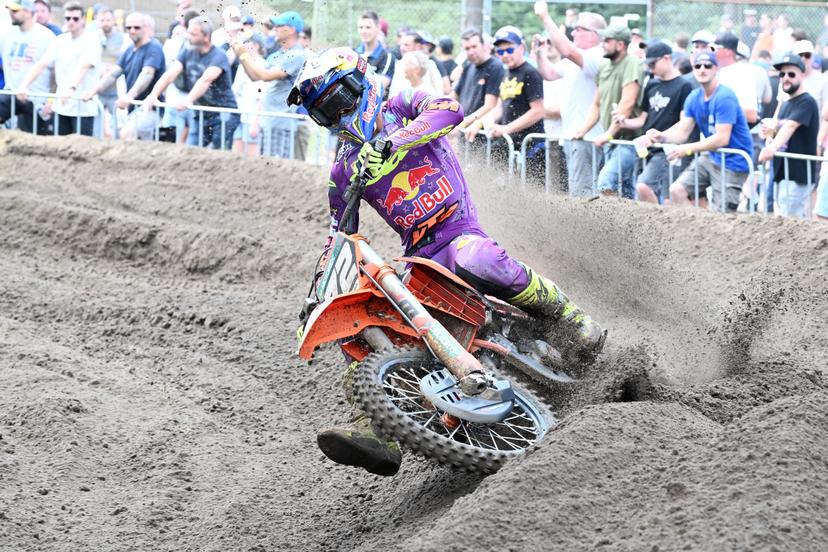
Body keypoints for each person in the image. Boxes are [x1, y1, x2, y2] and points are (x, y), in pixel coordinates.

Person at [287, 47, 606, 476]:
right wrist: (319, 292)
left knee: (474, 256)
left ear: (359, 85)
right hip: (419, 257)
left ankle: (567, 315)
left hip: (458, 230)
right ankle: (376, 427)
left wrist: (393, 141)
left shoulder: (400, 107)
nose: (338, 116)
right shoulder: (345, 168)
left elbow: (449, 109)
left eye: (339, 102)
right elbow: (337, 232)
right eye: (324, 114)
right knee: (366, 315)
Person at [641, 53, 753, 212]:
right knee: (677, 191)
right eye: (698, 66)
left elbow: (722, 138)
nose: (702, 69)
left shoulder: (724, 96)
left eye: (707, 65)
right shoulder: (694, 97)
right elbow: (682, 131)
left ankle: (713, 231)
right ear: (693, 70)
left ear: (716, 69)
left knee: (723, 215)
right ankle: (700, 231)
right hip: (712, 156)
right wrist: (662, 136)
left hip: (733, 161)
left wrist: (686, 149)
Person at [533, 2, 607, 197]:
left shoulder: (598, 56)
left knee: (584, 196)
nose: (573, 33)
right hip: (573, 135)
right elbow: (549, 73)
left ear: (593, 34)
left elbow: (567, 50)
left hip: (588, 138)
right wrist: (540, 53)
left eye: (578, 29)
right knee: (576, 193)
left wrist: (546, 18)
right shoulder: (578, 59)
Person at [144, 15, 240, 150]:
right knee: (192, 151)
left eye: (193, 34)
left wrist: (187, 100)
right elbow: (171, 73)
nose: (188, 37)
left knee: (221, 154)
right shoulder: (187, 51)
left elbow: (206, 80)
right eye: (188, 32)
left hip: (223, 114)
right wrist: (153, 94)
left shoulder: (218, 56)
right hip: (201, 113)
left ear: (206, 37)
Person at [573, 23, 643, 199]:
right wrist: (583, 130)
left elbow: (627, 102)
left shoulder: (631, 63)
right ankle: (628, 225)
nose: (602, 43)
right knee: (625, 192)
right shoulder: (604, 66)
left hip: (628, 141)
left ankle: (610, 224)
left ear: (620, 45)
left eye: (607, 41)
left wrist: (609, 134)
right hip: (611, 142)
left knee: (605, 183)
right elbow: (597, 103)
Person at [619, 40, 693, 203]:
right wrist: (624, 122)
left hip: (667, 148)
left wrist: (660, 136)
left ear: (666, 58)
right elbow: (643, 119)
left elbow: (684, 123)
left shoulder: (684, 86)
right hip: (646, 146)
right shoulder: (652, 84)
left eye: (653, 64)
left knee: (646, 187)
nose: (650, 69)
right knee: (642, 189)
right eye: (648, 65)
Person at [17, 0, 101, 136]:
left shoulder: (92, 40)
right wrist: (24, 85)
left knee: (82, 151)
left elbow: (84, 66)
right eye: (68, 18)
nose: (71, 21)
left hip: (83, 107)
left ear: (83, 19)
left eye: (75, 18)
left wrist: (71, 88)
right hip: (61, 107)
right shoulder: (60, 40)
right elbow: (41, 64)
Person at [232, 10, 306, 159]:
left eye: (279, 25)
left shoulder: (297, 55)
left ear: (291, 30)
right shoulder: (276, 55)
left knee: (278, 169)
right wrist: (242, 55)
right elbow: (255, 76)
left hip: (281, 124)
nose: (275, 28)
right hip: (268, 122)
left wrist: (243, 54)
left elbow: (264, 76)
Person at [83, 12, 164, 140]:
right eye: (129, 27)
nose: (132, 31)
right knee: (129, 142)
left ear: (145, 28)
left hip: (150, 108)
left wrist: (129, 96)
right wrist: (93, 91)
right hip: (133, 108)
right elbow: (113, 74)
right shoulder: (128, 50)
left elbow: (147, 74)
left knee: (126, 135)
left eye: (136, 27)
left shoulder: (154, 47)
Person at [758, 53, 819, 218]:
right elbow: (779, 129)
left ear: (802, 74)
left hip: (797, 175)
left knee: (791, 221)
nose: (786, 78)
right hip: (782, 174)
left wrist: (772, 147)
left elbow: (791, 126)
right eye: (782, 74)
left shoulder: (806, 101)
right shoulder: (786, 104)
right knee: (786, 221)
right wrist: (770, 134)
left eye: (791, 74)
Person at [487, 25, 546, 183]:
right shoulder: (506, 73)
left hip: (531, 146)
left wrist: (506, 129)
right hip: (511, 143)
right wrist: (487, 122)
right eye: (500, 52)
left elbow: (538, 111)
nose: (505, 55)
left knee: (530, 193)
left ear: (521, 48)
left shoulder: (530, 73)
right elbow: (501, 105)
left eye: (509, 50)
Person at [0, 0, 56, 135]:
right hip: (11, 93)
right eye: (10, 11)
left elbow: (57, 71)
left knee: (36, 142)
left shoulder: (46, 37)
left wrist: (51, 99)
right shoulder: (7, 35)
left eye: (15, 11)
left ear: (28, 12)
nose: (10, 14)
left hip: (36, 99)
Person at [451, 28, 504, 145]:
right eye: (467, 48)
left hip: (482, 135)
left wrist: (463, 123)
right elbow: (453, 96)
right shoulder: (468, 66)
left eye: (474, 47)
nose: (471, 51)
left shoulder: (495, 66)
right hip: (464, 133)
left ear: (484, 46)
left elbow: (490, 105)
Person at [231, 32, 267, 156]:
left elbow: (261, 98)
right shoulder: (243, 65)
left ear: (255, 45)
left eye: (247, 42)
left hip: (252, 118)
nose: (244, 45)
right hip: (239, 115)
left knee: (252, 157)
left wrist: (255, 124)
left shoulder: (262, 65)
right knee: (236, 154)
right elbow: (235, 90)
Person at [95, 5, 127, 137]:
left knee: (118, 129)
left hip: (116, 90)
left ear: (113, 20)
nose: (105, 23)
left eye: (108, 20)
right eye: (102, 20)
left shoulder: (123, 38)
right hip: (98, 90)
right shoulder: (93, 37)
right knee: (96, 128)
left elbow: (125, 59)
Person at [355, 10, 394, 89]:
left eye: (368, 27)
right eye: (361, 27)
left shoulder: (387, 56)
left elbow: (379, 87)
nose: (364, 31)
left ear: (378, 28)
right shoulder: (354, 54)